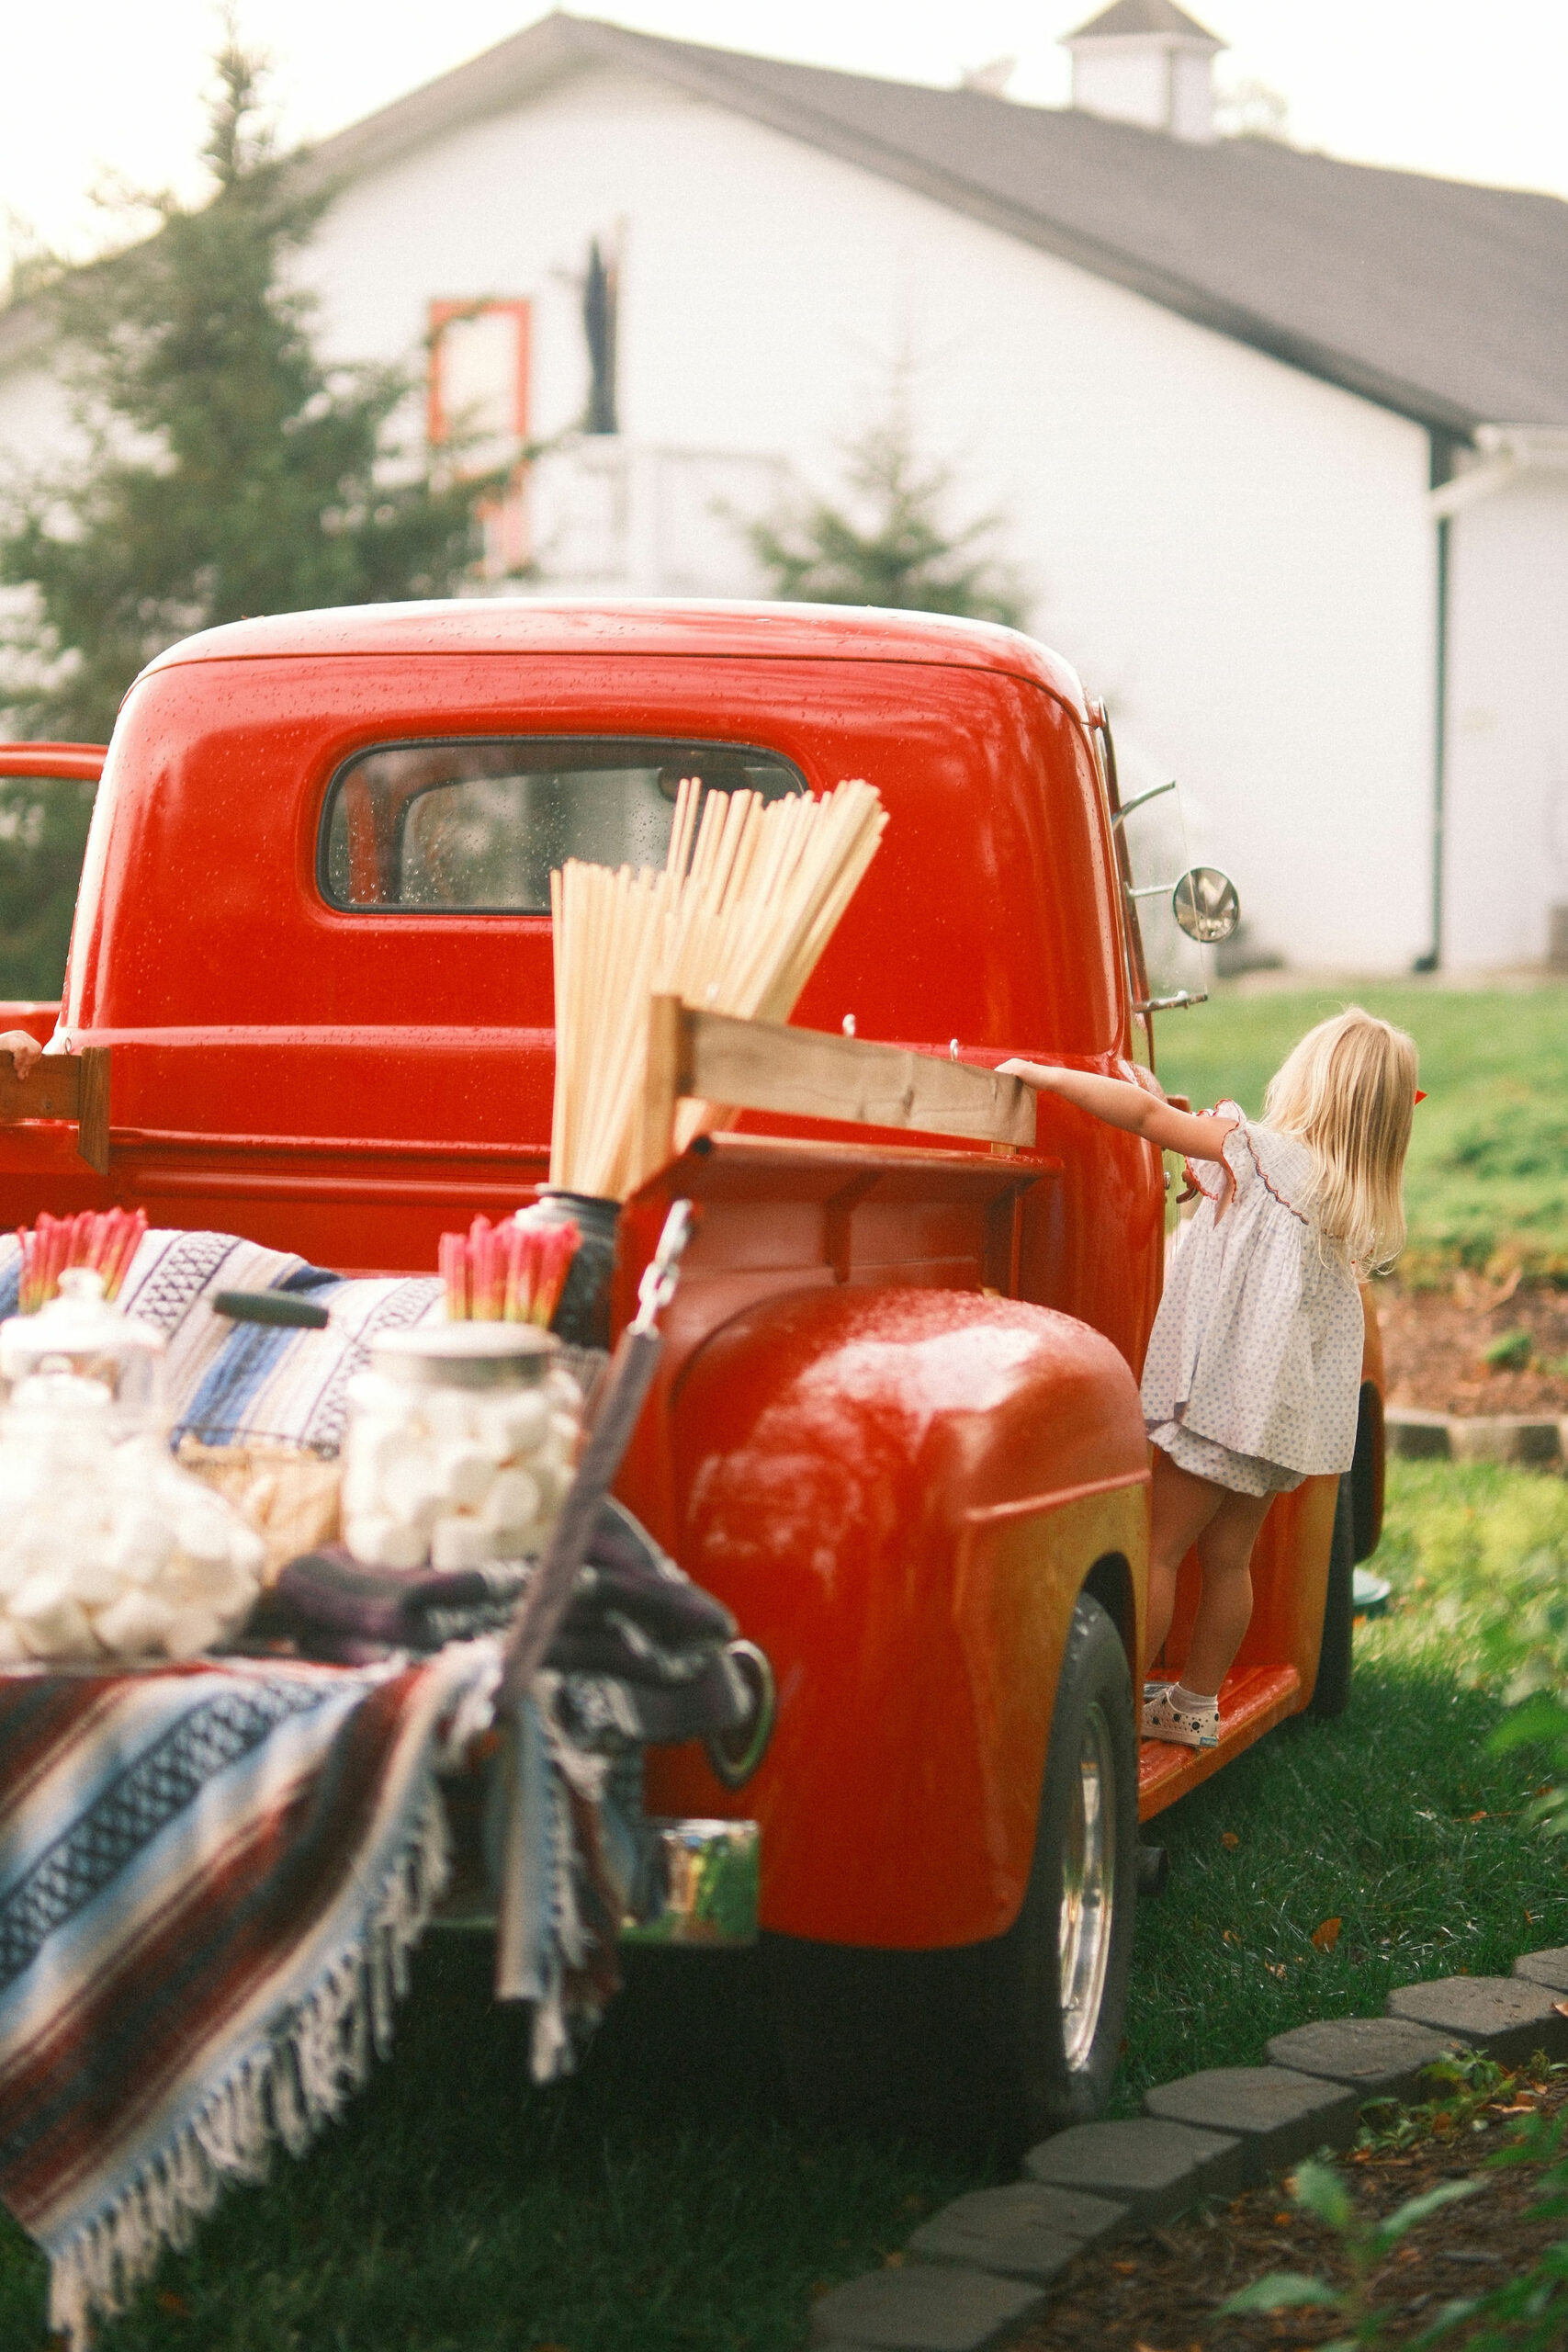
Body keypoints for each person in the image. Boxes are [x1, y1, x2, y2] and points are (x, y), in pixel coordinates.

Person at [998, 1007, 1417, 1749]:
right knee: (1228, 1561)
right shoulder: (1341, 1196)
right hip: (1277, 1423)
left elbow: (1143, 1117)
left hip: (1223, 1408)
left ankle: (1114, 1719)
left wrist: (1044, 1075)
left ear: (1310, 1083)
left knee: (1158, 1549)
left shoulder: (1256, 1151)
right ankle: (1192, 1705)